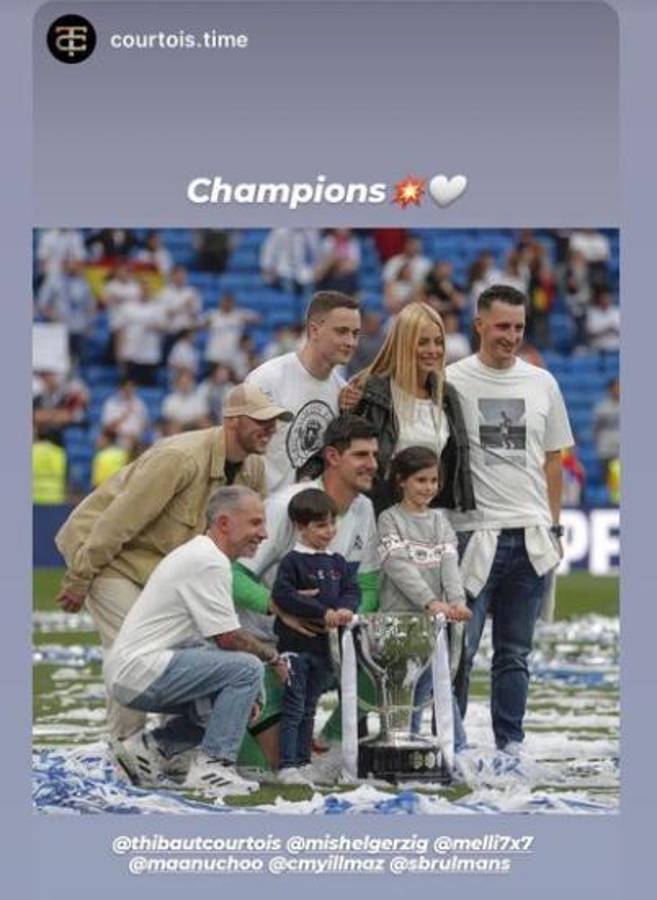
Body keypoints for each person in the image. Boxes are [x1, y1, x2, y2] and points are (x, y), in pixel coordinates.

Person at [54, 383, 292, 746]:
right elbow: (118, 522)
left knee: (187, 653)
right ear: (232, 421)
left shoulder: (254, 470)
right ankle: (127, 749)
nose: (270, 429)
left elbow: (237, 543)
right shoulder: (180, 458)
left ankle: (168, 747)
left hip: (166, 570)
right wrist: (80, 577)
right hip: (112, 557)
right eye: (261, 421)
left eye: (274, 421)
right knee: (132, 652)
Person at [446, 284, 574, 755]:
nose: (511, 336)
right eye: (502, 326)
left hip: (531, 535)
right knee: (459, 650)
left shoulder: (543, 382)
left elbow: (553, 460)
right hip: (473, 534)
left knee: (515, 654)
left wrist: (555, 528)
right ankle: (451, 740)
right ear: (478, 324)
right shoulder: (452, 380)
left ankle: (510, 743)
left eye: (518, 327)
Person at [105, 486, 288, 797]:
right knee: (246, 669)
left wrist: (246, 695)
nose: (265, 534)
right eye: (256, 523)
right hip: (141, 670)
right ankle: (213, 767)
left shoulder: (202, 554)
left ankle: (148, 749)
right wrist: (272, 659)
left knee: (229, 692)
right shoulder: (209, 560)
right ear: (225, 523)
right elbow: (228, 638)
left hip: (134, 670)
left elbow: (213, 642)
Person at [232, 414, 380, 771]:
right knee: (272, 766)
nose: (373, 464)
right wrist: (281, 609)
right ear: (332, 457)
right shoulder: (287, 506)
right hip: (261, 643)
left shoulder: (364, 509)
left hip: (323, 641)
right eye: (361, 455)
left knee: (386, 658)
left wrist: (345, 622)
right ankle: (183, 738)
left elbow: (369, 584)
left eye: (375, 455)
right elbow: (231, 573)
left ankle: (330, 744)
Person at [340, 301, 475, 518]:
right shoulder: (372, 391)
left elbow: (458, 463)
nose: (433, 350)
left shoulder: (446, 394)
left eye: (438, 342)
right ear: (404, 344)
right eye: (423, 342)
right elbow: (351, 457)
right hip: (378, 516)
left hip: (431, 519)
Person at [377, 446, 471, 746]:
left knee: (438, 684)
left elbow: (450, 568)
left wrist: (457, 603)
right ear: (401, 480)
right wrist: (430, 602)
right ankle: (404, 745)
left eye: (433, 480)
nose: (428, 487)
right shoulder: (389, 520)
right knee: (405, 687)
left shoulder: (440, 522)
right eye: (421, 480)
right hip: (400, 621)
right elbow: (398, 566)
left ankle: (453, 747)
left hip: (434, 623)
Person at [272, 488, 359, 783]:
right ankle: (287, 766)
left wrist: (346, 609)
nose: (330, 531)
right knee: (294, 706)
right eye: (321, 525)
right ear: (300, 526)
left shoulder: (337, 562)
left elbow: (352, 590)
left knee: (310, 707)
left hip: (324, 649)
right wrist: (322, 612)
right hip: (295, 648)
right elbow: (282, 595)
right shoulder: (292, 561)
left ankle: (303, 761)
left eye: (333, 523)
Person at [245, 291, 361, 494]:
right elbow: (241, 456)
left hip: (313, 517)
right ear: (314, 331)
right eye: (342, 331)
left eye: (355, 333)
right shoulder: (267, 380)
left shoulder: (343, 393)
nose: (350, 342)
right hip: (264, 514)